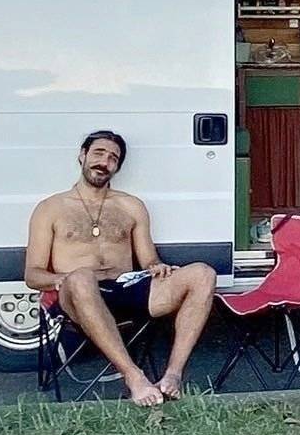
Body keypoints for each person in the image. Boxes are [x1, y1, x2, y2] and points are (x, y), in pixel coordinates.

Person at [24, 129, 216, 405]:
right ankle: (133, 376)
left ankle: (173, 374)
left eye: (113, 158)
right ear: (82, 156)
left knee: (203, 274)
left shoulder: (131, 206)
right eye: (99, 153)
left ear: (117, 167)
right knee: (81, 278)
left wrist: (156, 267)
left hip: (127, 287)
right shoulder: (50, 208)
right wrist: (65, 279)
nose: (104, 162)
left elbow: (148, 259)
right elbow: (33, 274)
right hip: (77, 296)